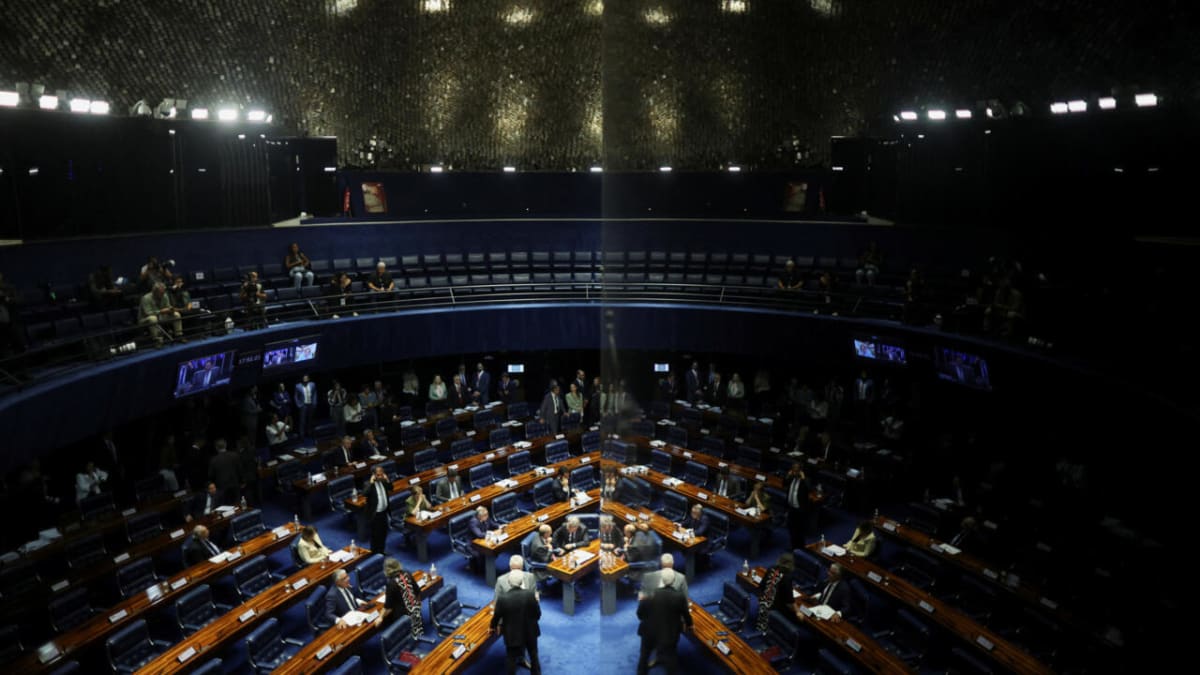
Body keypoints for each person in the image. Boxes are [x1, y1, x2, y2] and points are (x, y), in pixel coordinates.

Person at [636, 567, 691, 675]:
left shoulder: (649, 594)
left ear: (661, 579)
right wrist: (690, 624)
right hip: (668, 634)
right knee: (671, 659)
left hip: (648, 633)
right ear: (673, 581)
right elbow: (685, 614)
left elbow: (640, 614)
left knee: (644, 656)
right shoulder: (679, 597)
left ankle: (641, 672)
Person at [491, 569, 542, 675]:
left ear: (509, 582)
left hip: (512, 634)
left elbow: (497, 616)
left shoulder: (503, 598)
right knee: (534, 655)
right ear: (522, 582)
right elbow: (538, 614)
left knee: (511, 659)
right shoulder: (530, 595)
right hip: (530, 632)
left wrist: (493, 626)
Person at [383, 558, 423, 637]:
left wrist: (380, 617)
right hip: (416, 612)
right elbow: (417, 591)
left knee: (387, 618)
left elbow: (388, 608)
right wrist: (417, 605)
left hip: (403, 616)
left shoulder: (391, 584)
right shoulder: (407, 573)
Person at [755, 552, 795, 631]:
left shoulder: (771, 568)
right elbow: (789, 599)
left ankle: (762, 628)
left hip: (763, 602)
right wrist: (797, 611)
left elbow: (761, 586)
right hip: (774, 607)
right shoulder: (787, 577)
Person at [138, 281, 183, 347]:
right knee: (153, 318)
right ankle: (158, 340)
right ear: (154, 292)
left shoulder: (164, 295)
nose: (163, 294)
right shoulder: (146, 298)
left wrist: (171, 309)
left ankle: (179, 335)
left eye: (163, 292)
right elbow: (148, 313)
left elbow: (167, 306)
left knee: (176, 314)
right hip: (145, 319)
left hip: (160, 316)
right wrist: (161, 312)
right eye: (161, 293)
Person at [364, 465, 392, 555]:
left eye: (382, 474)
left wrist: (387, 479)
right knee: (375, 534)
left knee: (383, 533)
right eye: (379, 475)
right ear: (374, 475)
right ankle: (374, 552)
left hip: (384, 512)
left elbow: (391, 488)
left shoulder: (383, 482)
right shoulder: (368, 484)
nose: (381, 476)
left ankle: (381, 551)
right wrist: (371, 482)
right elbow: (365, 493)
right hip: (375, 514)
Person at [785, 462, 811, 549]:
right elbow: (784, 483)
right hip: (791, 508)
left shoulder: (805, 480)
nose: (795, 473)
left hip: (800, 510)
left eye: (797, 471)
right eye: (793, 471)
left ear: (800, 471)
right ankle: (793, 547)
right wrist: (788, 475)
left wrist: (803, 478)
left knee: (799, 531)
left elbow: (809, 489)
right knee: (791, 529)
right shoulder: (791, 478)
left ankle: (801, 548)